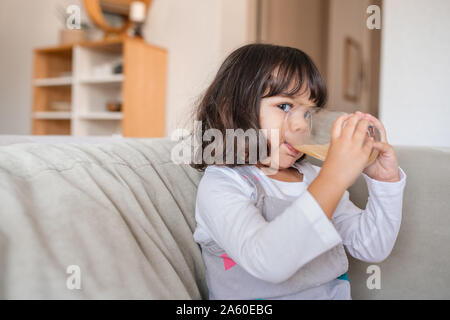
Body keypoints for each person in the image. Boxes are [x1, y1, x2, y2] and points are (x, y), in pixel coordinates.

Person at [190, 43, 407, 300]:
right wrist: (334, 177)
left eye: (309, 112)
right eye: (284, 106)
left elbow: (370, 247)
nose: (301, 124)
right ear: (231, 108)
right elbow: (267, 261)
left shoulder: (313, 176)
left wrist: (385, 183)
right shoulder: (224, 184)